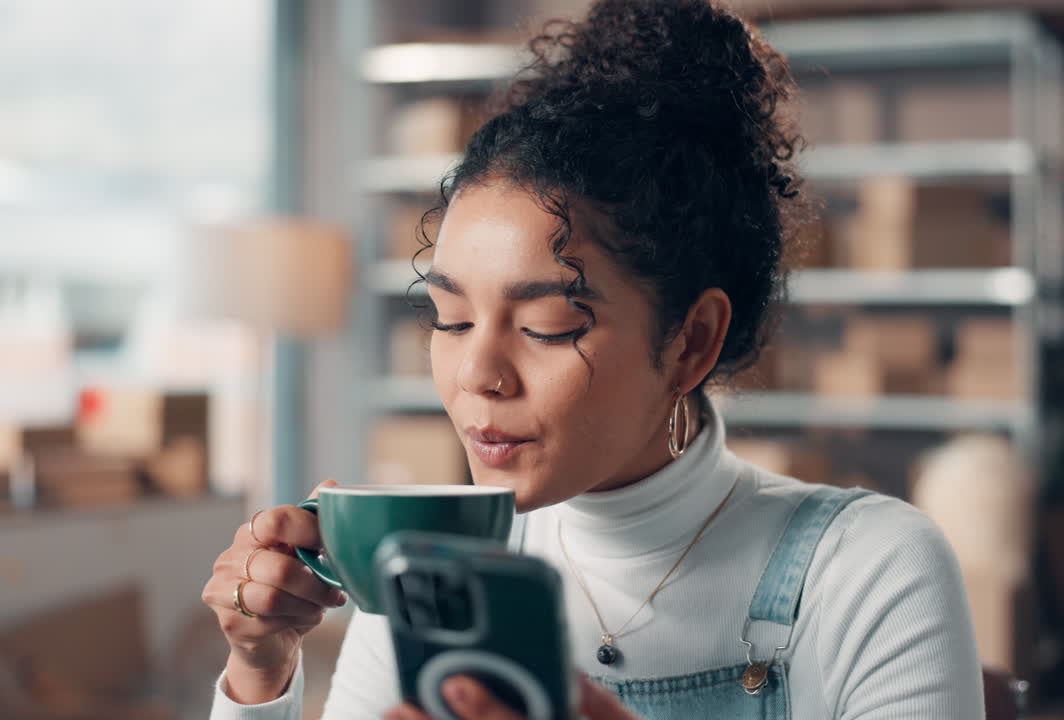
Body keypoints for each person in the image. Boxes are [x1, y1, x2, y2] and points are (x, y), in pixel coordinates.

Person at [203, 0, 985, 718]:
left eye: (545, 324)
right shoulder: (430, 574)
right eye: (449, 318)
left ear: (692, 341)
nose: (479, 375)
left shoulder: (870, 573)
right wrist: (259, 670)